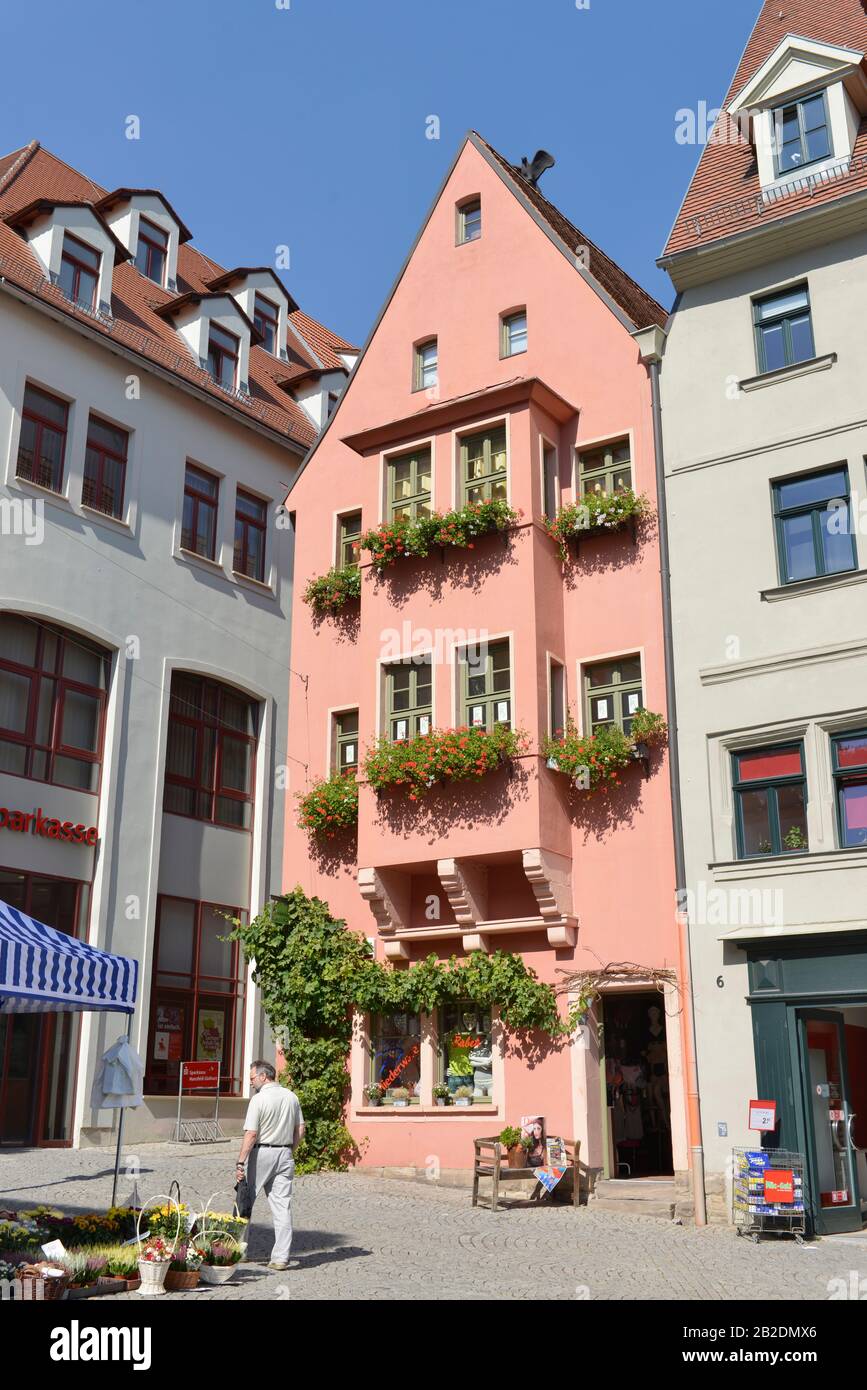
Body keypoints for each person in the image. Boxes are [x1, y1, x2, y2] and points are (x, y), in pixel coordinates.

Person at [235, 1060, 305, 1271]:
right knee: (282, 1207)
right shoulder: (291, 1096)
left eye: (252, 1078)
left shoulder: (258, 1099)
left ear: (264, 1077)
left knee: (244, 1201)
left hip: (261, 1153)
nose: (251, 1082)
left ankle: (239, 1251)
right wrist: (289, 1150)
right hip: (284, 1153)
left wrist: (240, 1162)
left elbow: (251, 1134)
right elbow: (300, 1129)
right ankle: (281, 1258)